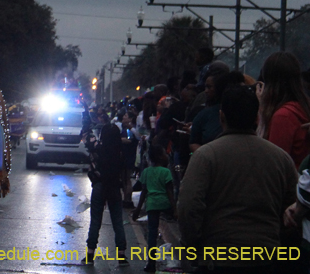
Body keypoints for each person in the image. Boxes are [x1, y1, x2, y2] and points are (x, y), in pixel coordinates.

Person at [178, 86, 297, 270]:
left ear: (221, 117)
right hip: (266, 257)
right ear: (257, 118)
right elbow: (293, 208)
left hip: (218, 258)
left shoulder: (206, 156)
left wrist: (193, 247)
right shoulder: (281, 158)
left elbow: (188, 206)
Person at [82, 123, 129, 265]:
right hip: (114, 187)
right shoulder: (121, 152)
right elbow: (124, 174)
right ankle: (121, 255)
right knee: (117, 221)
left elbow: (87, 137)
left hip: (99, 186)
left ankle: (90, 254)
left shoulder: (97, 149)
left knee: (95, 221)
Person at [258, 52, 310, 169]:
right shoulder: (302, 107)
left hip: (290, 179)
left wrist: (260, 110)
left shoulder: (283, 116)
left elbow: (274, 163)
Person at [131, 145, 176, 273]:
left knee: (152, 233)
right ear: (160, 157)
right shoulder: (166, 172)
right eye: (165, 153)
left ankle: (151, 263)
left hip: (152, 204)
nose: (167, 156)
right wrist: (175, 209)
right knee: (175, 225)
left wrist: (137, 210)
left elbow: (143, 192)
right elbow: (170, 192)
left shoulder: (146, 172)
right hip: (165, 204)